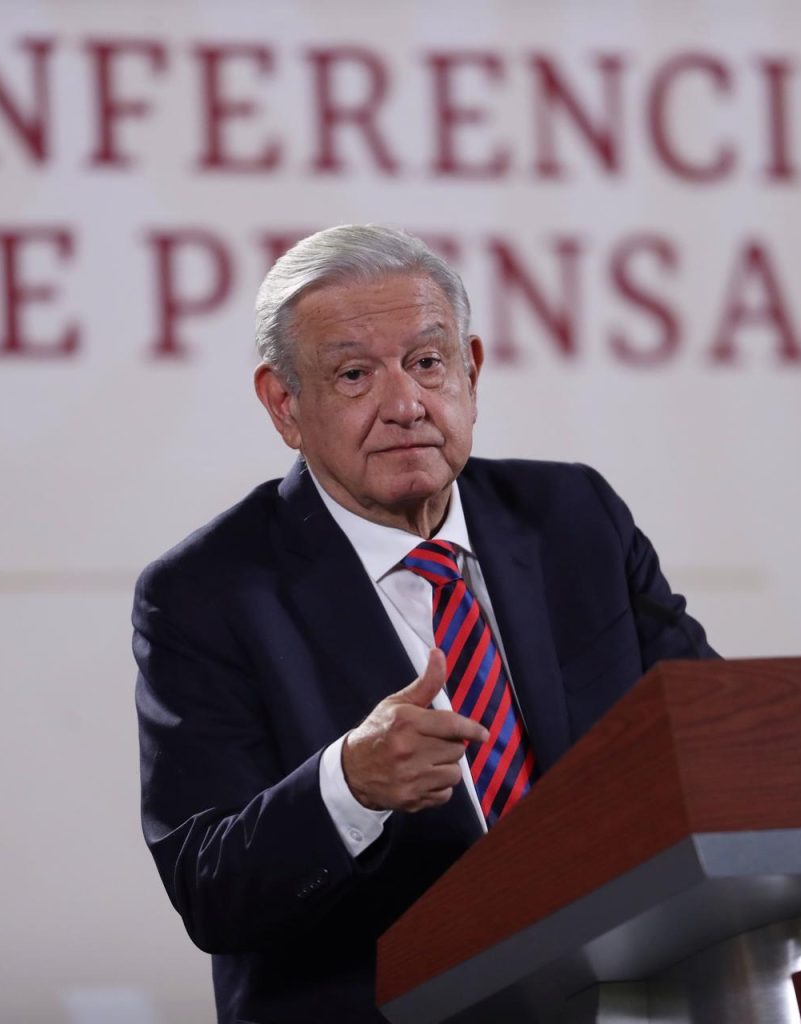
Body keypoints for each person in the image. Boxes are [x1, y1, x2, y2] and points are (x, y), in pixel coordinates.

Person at [133, 225, 716, 1023]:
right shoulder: (207, 593)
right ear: (284, 404)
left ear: (470, 373)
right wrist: (349, 785)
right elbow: (210, 890)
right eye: (352, 375)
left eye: (427, 362)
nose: (405, 404)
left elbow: (704, 734)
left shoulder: (575, 520)